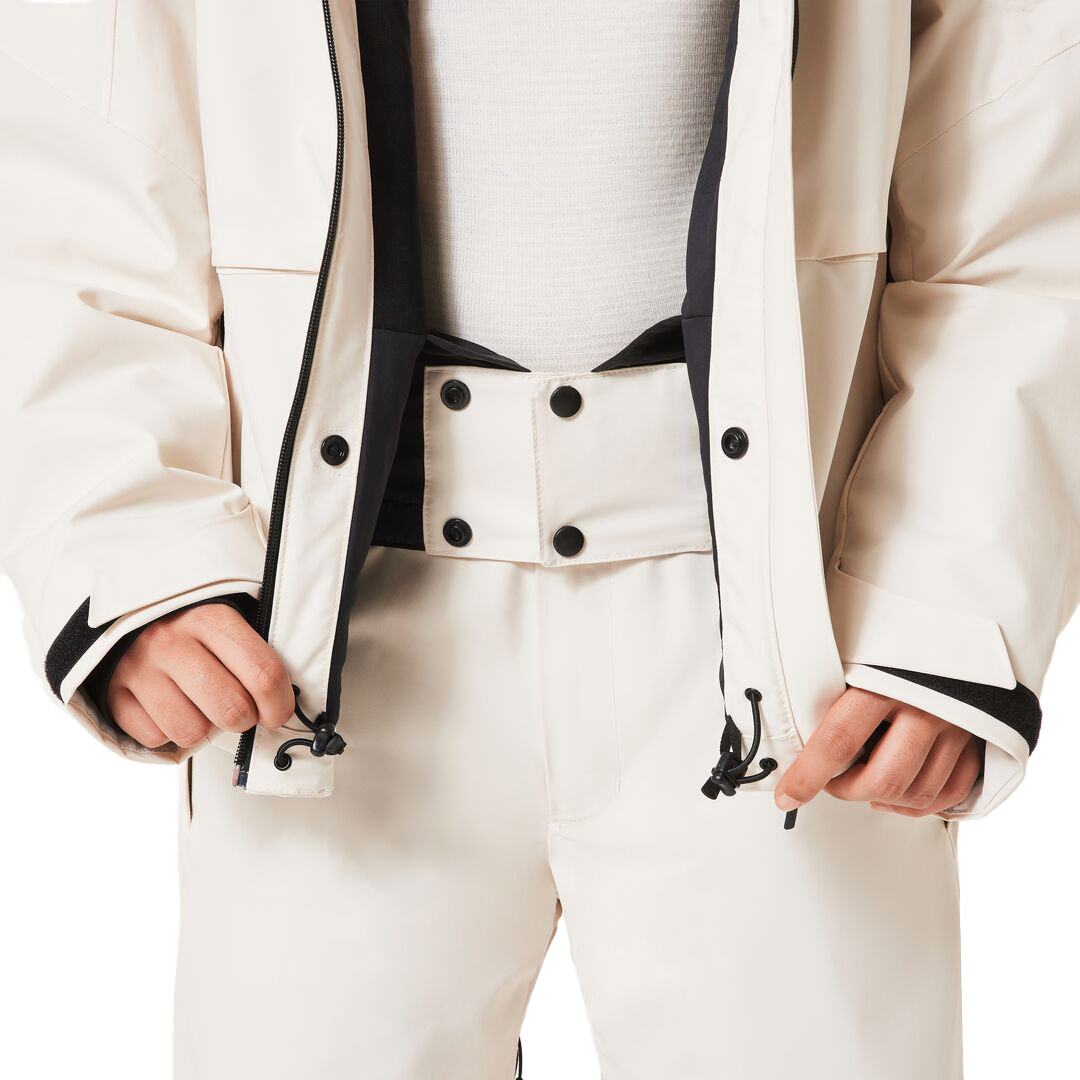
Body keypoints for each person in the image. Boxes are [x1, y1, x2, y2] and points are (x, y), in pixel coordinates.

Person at [2, 2, 1076, 1078]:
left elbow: (1024, 185)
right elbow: (79, 161)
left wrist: (946, 605)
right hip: (312, 631)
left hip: (794, 636)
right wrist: (132, 550)